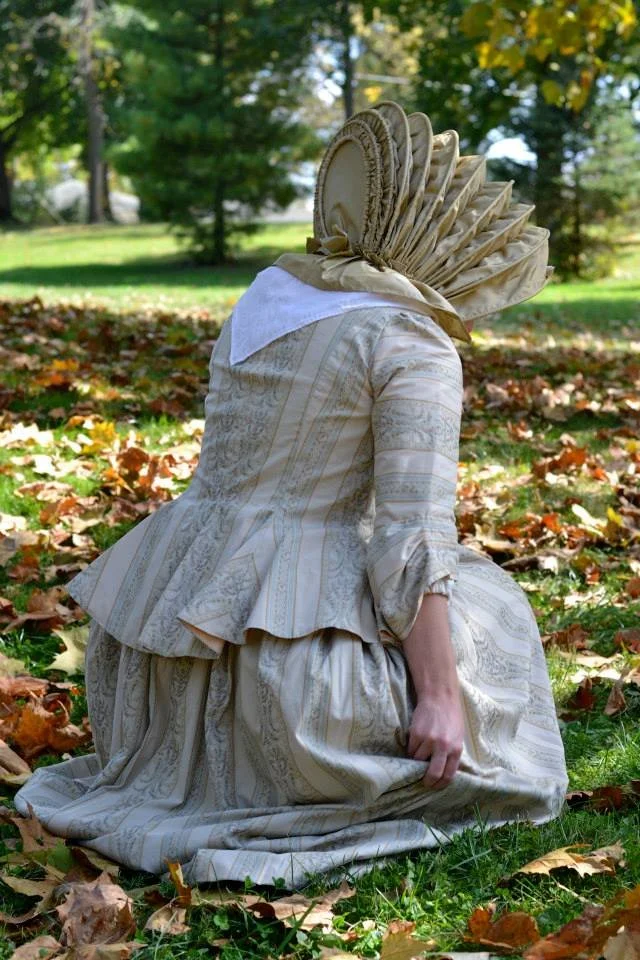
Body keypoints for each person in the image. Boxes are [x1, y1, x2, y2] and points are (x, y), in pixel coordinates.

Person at [15, 102, 568, 889]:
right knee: (491, 605)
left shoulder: (269, 294)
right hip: (291, 692)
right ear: (431, 233)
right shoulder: (409, 339)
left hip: (153, 665)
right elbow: (411, 539)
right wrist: (441, 697)